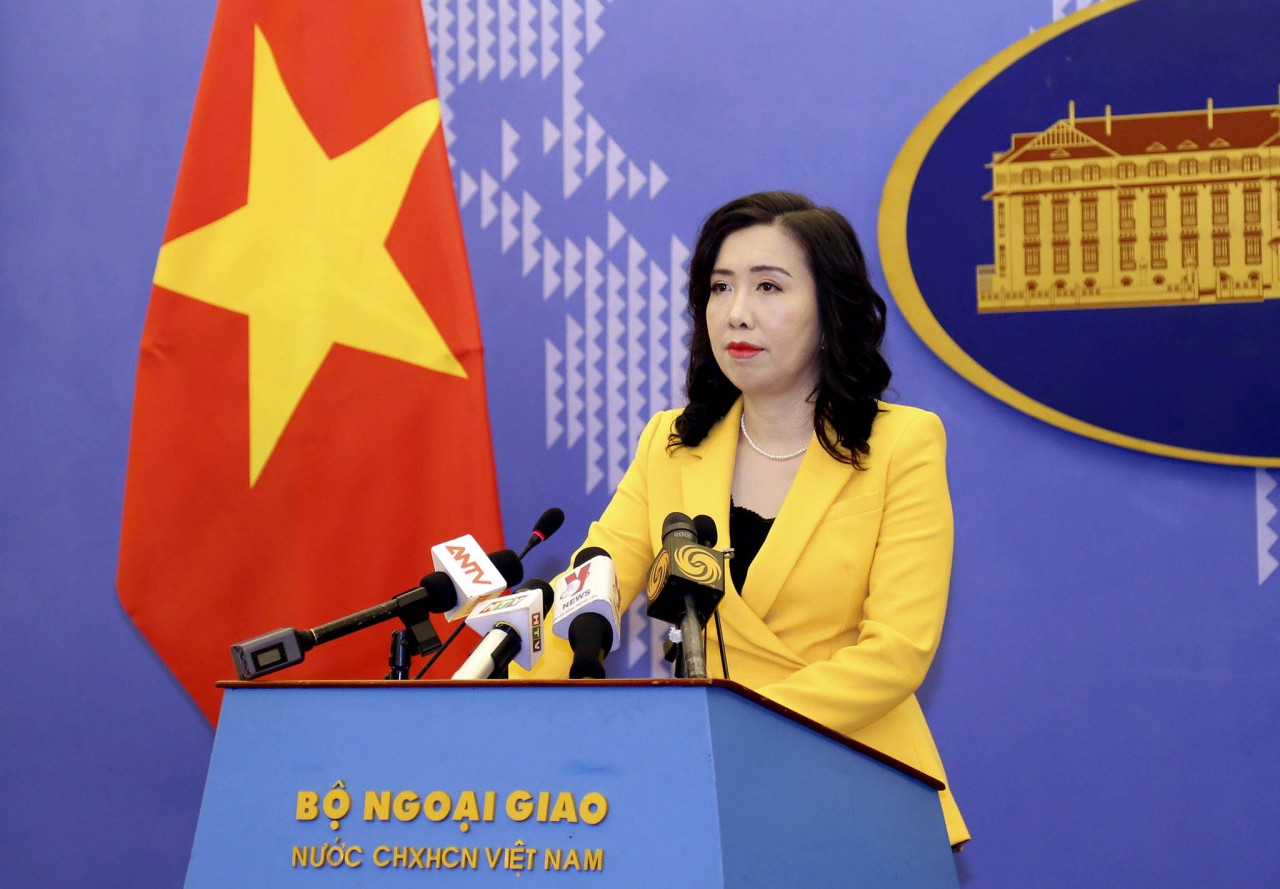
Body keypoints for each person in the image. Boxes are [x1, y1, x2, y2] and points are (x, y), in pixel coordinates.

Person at [525, 191, 968, 848]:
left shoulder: (902, 443)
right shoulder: (672, 442)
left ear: (830, 310)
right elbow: (592, 588)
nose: (737, 312)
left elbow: (896, 652)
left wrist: (731, 725)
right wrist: (502, 694)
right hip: (706, 800)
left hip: (855, 784)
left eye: (768, 287)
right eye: (720, 287)